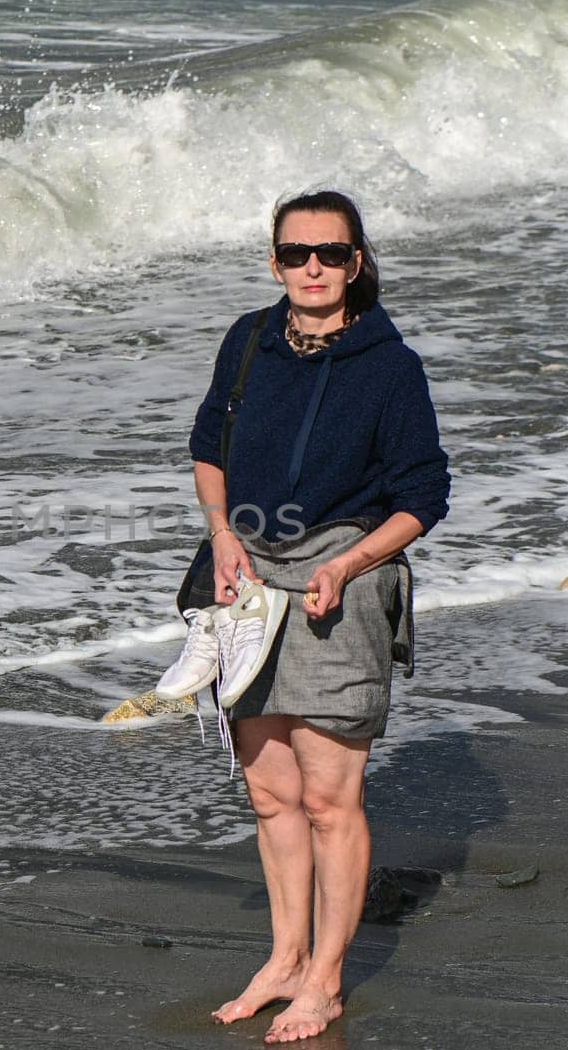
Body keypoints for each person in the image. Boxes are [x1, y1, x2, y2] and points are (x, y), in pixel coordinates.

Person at [186, 189, 450, 1043]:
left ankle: (326, 979)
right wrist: (222, 536)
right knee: (270, 792)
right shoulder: (250, 340)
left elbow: (423, 495)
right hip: (248, 576)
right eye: (296, 252)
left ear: (357, 262)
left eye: (330, 253)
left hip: (342, 583)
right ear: (274, 260)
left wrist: (349, 562)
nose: (312, 267)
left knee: (332, 798)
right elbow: (206, 448)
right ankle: (284, 957)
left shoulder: (389, 366)